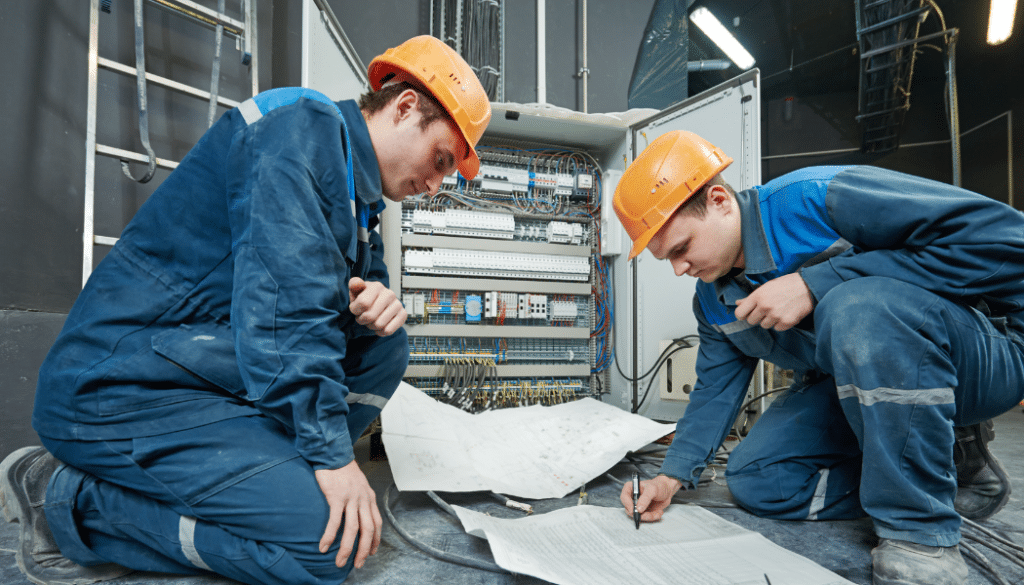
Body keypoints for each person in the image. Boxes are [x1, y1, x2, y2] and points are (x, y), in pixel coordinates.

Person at [0, 35, 491, 585]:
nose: (434, 183)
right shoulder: (300, 130)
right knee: (325, 552)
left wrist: (374, 304)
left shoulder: (358, 202)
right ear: (404, 108)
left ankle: (280, 467)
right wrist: (333, 458)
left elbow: (332, 308)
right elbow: (287, 310)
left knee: (385, 343)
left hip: (197, 373)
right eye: (441, 159)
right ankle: (62, 496)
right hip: (118, 386)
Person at [613, 130, 1024, 585]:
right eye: (665, 259)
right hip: (854, 385)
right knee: (757, 478)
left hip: (983, 352)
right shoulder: (713, 300)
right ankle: (951, 466)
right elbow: (714, 391)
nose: (678, 268)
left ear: (719, 200)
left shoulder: (815, 199)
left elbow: (1007, 239)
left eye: (682, 248)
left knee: (859, 308)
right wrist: (670, 479)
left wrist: (817, 283)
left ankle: (920, 534)